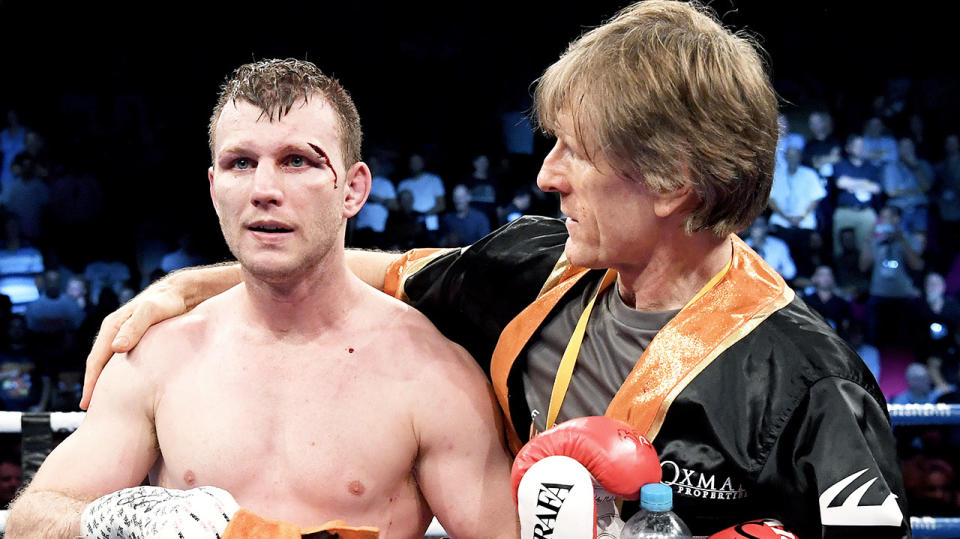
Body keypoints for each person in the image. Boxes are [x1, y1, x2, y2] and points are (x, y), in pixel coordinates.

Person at [80, 4, 909, 537]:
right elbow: (346, 269)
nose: (547, 175)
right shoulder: (529, 266)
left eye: (576, 153)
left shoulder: (810, 384)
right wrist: (185, 287)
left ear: (670, 183)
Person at [6, 59, 518, 538]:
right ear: (214, 188)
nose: (263, 189)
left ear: (353, 191)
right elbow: (32, 517)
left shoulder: (433, 373)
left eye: (296, 161)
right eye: (240, 163)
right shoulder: (158, 360)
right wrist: (123, 519)